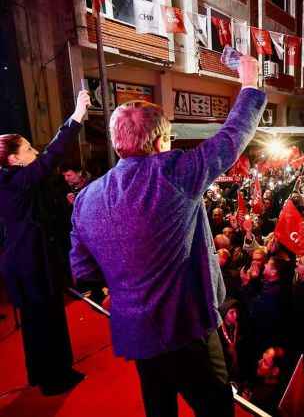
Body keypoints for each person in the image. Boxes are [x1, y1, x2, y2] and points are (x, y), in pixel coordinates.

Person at [70, 56, 266, 417]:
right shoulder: (174, 172)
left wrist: (128, 282)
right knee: (216, 406)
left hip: (136, 330)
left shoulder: (86, 198)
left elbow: (83, 271)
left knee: (158, 405)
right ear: (162, 139)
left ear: (116, 144)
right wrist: (249, 80)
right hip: (187, 325)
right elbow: (232, 136)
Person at [0, 90, 90, 395]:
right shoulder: (15, 181)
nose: (35, 151)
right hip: (32, 263)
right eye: (27, 149)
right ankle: (56, 378)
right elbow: (52, 154)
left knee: (36, 323)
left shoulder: (12, 183)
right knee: (48, 320)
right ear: (13, 159)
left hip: (23, 261)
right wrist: (76, 116)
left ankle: (41, 373)